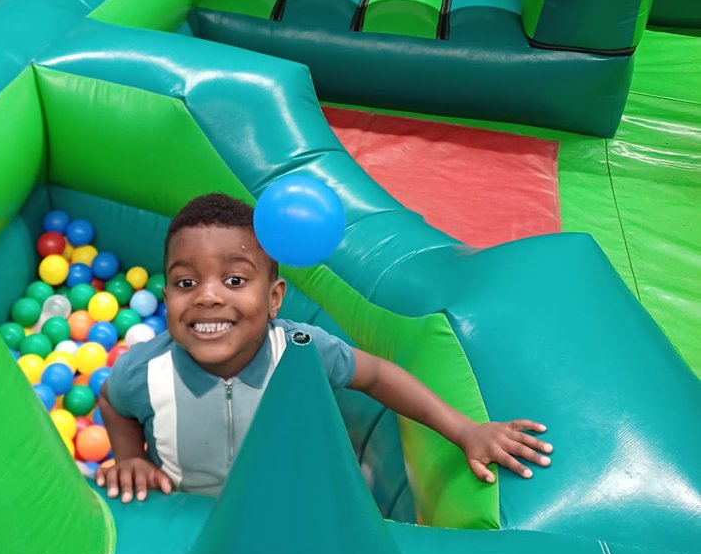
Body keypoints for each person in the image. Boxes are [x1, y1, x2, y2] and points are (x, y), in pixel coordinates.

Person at [96, 193, 553, 502]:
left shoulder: (300, 350)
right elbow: (113, 403)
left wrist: (465, 431)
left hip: (293, 503)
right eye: (185, 282)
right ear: (166, 297)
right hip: (192, 513)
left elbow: (377, 375)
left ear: (274, 298)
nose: (208, 296)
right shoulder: (146, 369)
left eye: (234, 280)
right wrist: (131, 459)